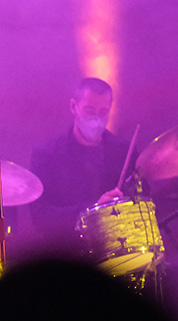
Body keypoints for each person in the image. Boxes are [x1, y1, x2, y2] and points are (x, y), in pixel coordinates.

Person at [29, 77, 134, 251]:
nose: (96, 119)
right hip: (67, 251)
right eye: (90, 110)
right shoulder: (47, 155)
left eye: (103, 112)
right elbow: (40, 217)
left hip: (118, 248)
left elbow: (142, 201)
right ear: (73, 107)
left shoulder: (123, 151)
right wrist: (94, 211)